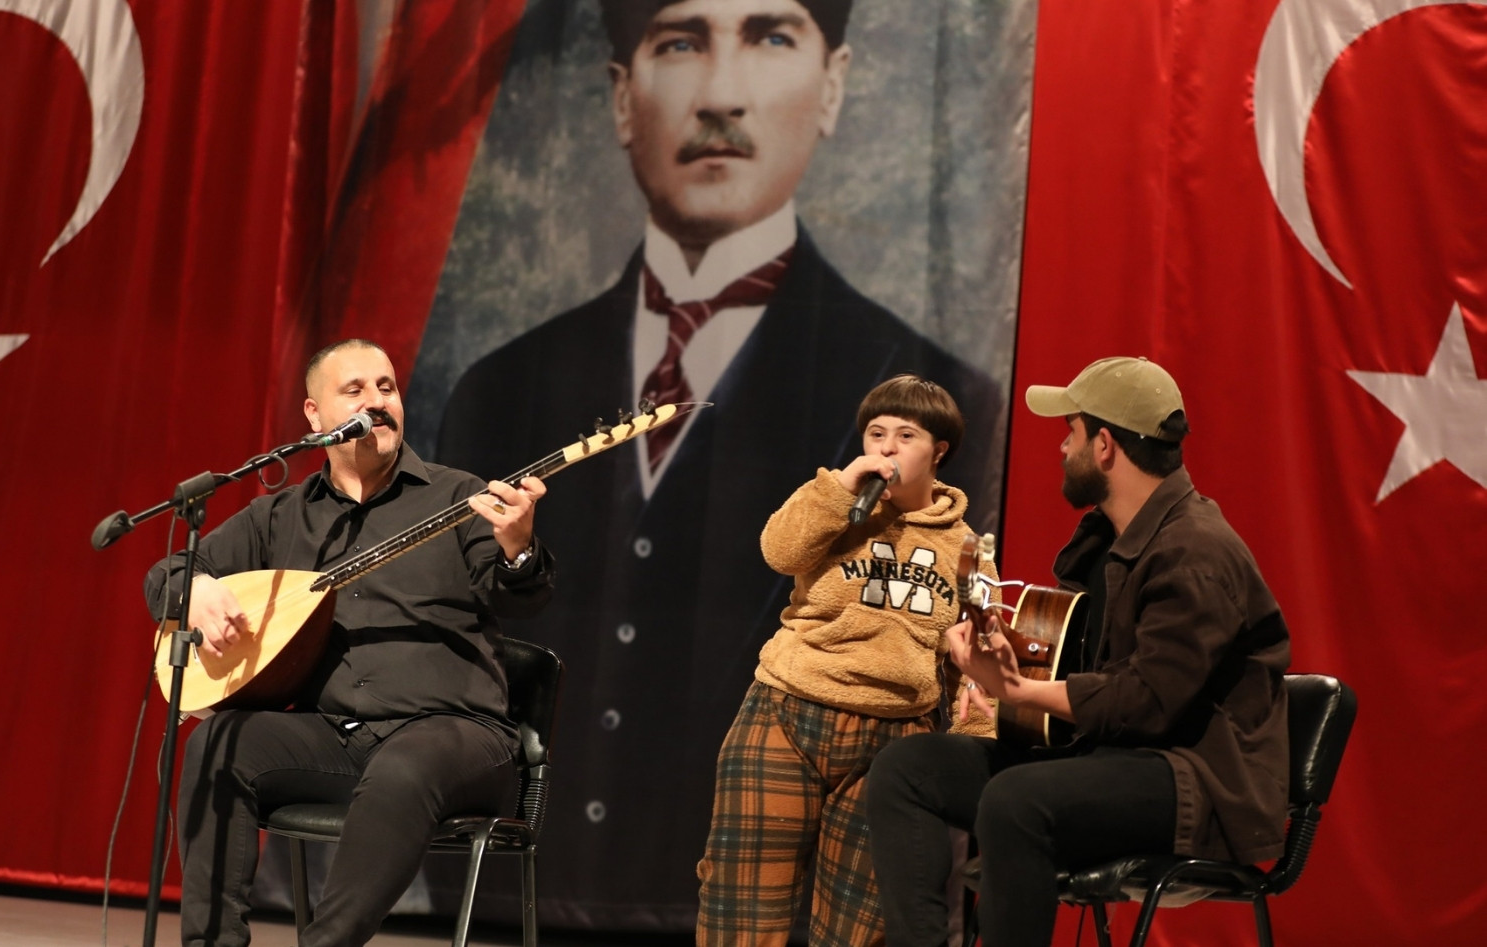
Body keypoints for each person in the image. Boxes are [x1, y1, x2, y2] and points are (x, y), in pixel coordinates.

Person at [431, 0, 1004, 923]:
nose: (721, 95)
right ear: (622, 98)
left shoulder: (939, 384)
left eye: (771, 37)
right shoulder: (500, 385)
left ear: (833, 85)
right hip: (550, 881)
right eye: (680, 42)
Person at [864, 356, 1292, 947]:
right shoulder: (1109, 541)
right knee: (907, 770)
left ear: (1106, 446)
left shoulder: (1197, 551)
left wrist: (1017, 689)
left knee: (1016, 802)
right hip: (1107, 755)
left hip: (1195, 781)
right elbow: (1075, 660)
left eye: (1072, 433)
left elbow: (1146, 701)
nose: (1063, 448)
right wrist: (1001, 654)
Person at [143, 339, 555, 947]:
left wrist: (519, 546)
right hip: (337, 738)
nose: (378, 402)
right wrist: (195, 588)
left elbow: (521, 595)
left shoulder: (457, 496)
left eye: (386, 388)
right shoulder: (280, 518)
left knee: (404, 767)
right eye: (356, 391)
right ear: (314, 418)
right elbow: (165, 573)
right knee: (217, 744)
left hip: (458, 739)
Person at [695, 375, 997, 947]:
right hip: (786, 714)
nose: (885, 447)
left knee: (860, 927)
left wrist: (974, 740)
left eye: (905, 435)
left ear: (940, 452)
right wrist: (837, 493)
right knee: (742, 907)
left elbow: (974, 660)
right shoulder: (836, 506)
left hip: (892, 741)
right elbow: (778, 552)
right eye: (875, 433)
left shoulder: (966, 549)